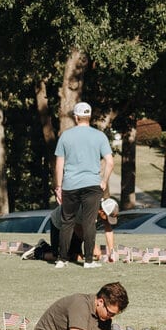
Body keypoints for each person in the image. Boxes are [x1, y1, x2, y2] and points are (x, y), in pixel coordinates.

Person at [53, 102, 114, 270]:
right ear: (90, 116)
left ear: (76, 116)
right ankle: (88, 261)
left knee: (67, 222)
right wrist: (104, 181)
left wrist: (58, 186)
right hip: (93, 185)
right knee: (89, 223)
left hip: (70, 184)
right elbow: (110, 162)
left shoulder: (66, 136)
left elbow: (59, 164)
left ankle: (62, 259)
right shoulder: (99, 136)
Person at [41, 197, 119, 264]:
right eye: (108, 217)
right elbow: (79, 229)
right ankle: (37, 251)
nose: (108, 220)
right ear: (102, 212)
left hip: (75, 226)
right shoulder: (86, 208)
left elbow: (108, 229)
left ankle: (45, 247)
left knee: (77, 257)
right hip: (60, 223)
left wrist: (111, 252)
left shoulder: (102, 209)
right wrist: (93, 248)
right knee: (59, 257)